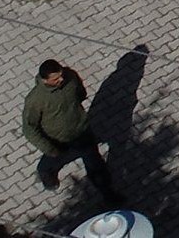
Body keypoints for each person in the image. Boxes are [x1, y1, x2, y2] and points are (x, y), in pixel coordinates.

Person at [20, 58, 120, 201]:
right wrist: (49, 148)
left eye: (61, 75)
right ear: (44, 80)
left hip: (82, 131)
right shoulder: (36, 100)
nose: (61, 79)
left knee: (96, 165)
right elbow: (29, 128)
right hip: (58, 140)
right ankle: (46, 175)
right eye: (55, 79)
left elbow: (81, 93)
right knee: (50, 162)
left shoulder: (70, 77)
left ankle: (109, 195)